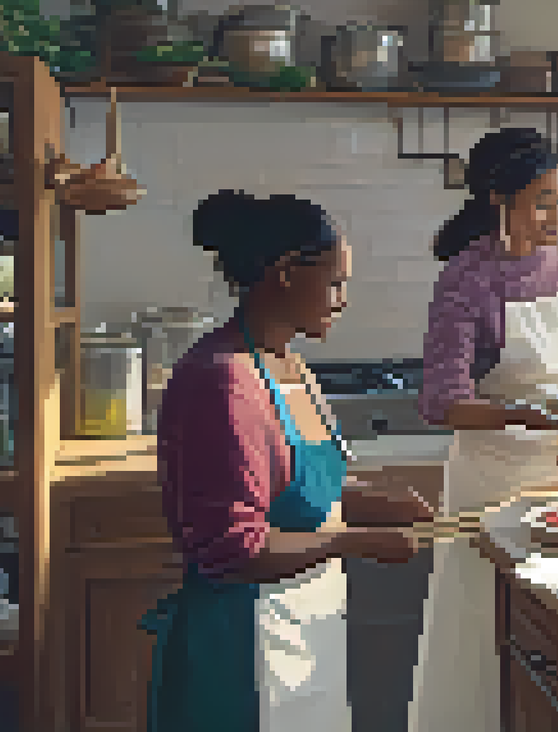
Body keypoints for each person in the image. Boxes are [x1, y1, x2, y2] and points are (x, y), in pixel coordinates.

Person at [145, 191, 431, 732]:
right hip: (244, 647)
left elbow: (300, 494)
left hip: (305, 633)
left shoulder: (291, 365)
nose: (343, 299)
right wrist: (355, 539)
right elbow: (234, 549)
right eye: (334, 282)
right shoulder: (223, 380)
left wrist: (377, 504)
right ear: (284, 273)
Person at [410, 127, 558, 731]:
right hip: (494, 483)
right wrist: (523, 415)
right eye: (542, 201)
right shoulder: (468, 276)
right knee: (489, 632)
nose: (555, 214)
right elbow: (442, 402)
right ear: (501, 200)